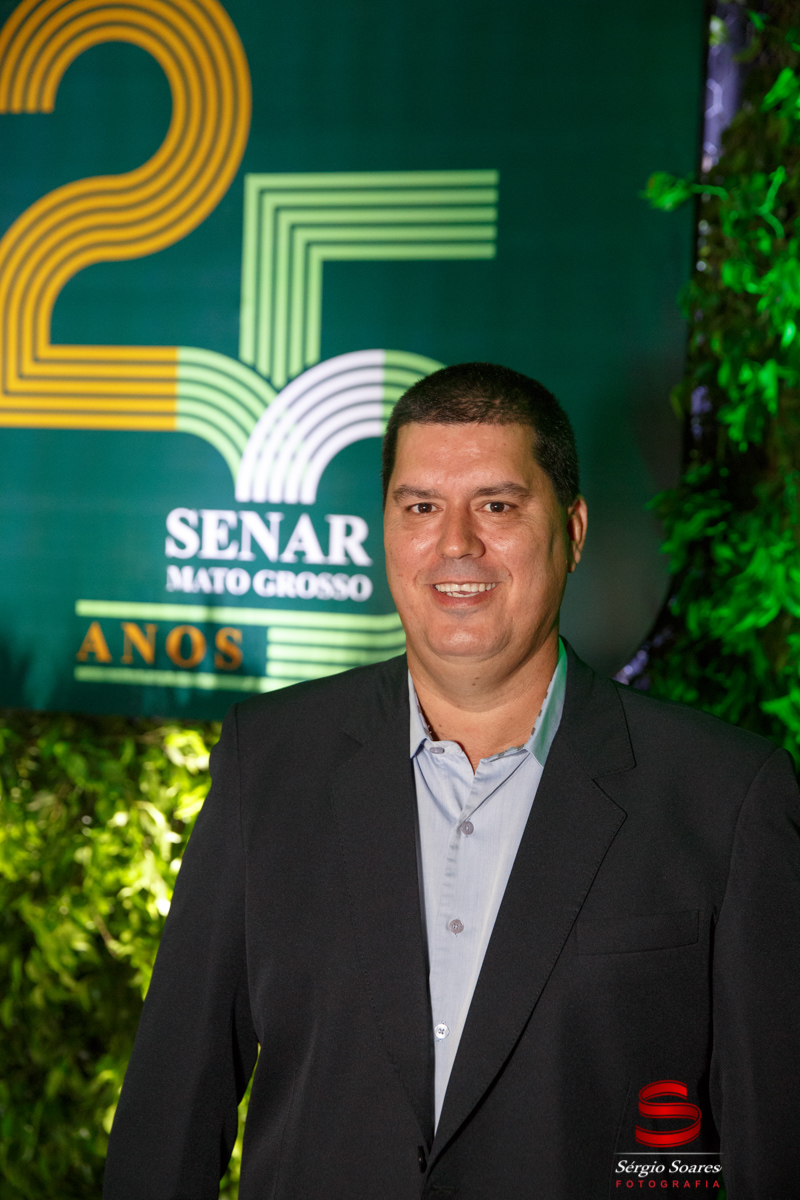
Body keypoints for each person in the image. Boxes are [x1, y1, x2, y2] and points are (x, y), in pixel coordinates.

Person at [103, 363, 800, 1200]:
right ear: (386, 531)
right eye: (421, 508)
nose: (457, 544)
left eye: (497, 506)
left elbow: (770, 1147)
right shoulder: (271, 760)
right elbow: (170, 1114)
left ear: (573, 530)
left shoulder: (726, 797)